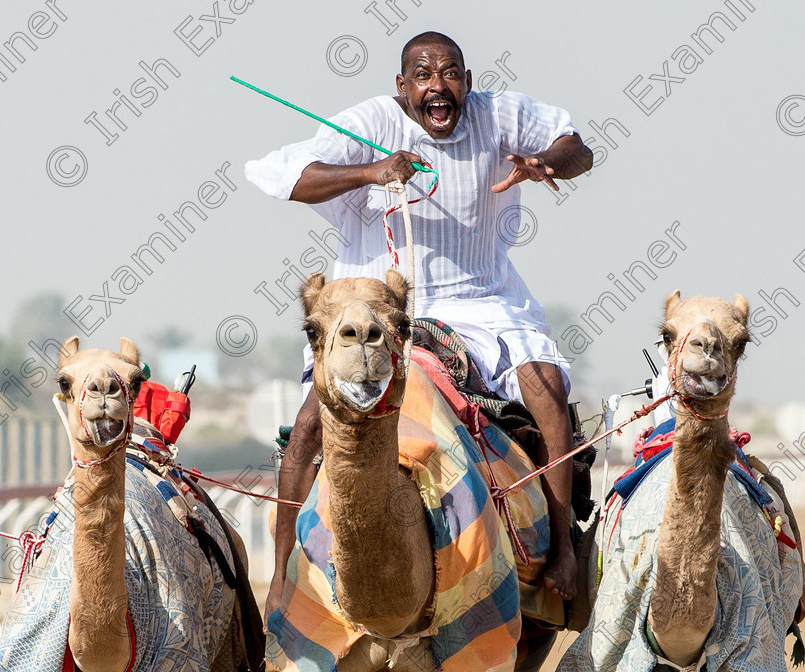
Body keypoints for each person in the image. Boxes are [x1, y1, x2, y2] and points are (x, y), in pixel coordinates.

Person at [244, 31, 593, 619]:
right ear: (402, 87)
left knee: (548, 389)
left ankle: (561, 550)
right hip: (378, 305)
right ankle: (280, 578)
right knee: (308, 423)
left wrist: (543, 163)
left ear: (468, 81)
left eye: (451, 73)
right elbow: (286, 177)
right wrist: (371, 172)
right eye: (424, 76)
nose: (439, 86)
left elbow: (578, 148)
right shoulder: (373, 122)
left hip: (482, 298)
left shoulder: (498, 115)